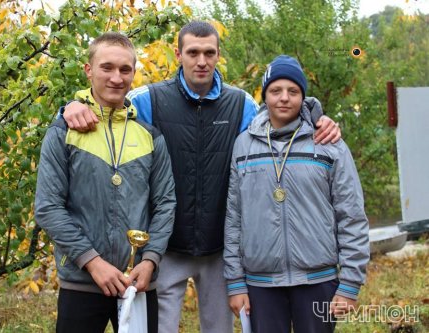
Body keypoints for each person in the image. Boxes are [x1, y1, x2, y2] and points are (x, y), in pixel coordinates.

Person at [62, 22, 341, 333]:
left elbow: (279, 117)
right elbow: (108, 107)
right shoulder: (149, 100)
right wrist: (71, 106)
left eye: (209, 53)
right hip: (165, 248)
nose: (201, 61)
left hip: (219, 248)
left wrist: (316, 115)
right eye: (193, 52)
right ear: (179, 54)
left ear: (218, 55)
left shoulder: (241, 105)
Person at [34, 32, 176, 333]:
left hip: (138, 284)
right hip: (82, 282)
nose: (116, 77)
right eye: (106, 67)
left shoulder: (150, 136)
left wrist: (150, 260)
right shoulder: (63, 133)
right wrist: (93, 262)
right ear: (89, 70)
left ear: (134, 73)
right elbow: (48, 207)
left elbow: (165, 204)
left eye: (125, 69)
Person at [224, 55, 369, 333]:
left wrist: (350, 283)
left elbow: (351, 214)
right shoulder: (244, 145)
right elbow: (234, 219)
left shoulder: (328, 143)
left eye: (293, 91)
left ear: (303, 96)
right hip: (260, 284)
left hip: (318, 280)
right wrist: (235, 281)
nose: (284, 98)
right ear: (264, 95)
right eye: (275, 90)